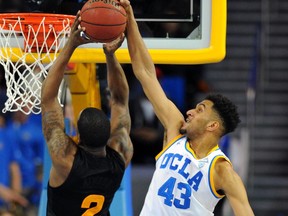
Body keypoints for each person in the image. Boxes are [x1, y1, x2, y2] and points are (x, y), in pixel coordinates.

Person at [121, 0, 254, 215]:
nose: (190, 111)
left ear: (212, 125)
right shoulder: (175, 130)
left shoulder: (221, 169)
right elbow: (146, 73)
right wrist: (130, 21)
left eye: (200, 110)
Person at [40, 12, 133, 216]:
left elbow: (48, 99)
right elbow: (119, 100)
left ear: (78, 136)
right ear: (109, 135)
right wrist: (110, 55)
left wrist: (71, 45)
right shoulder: (121, 154)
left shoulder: (65, 158)